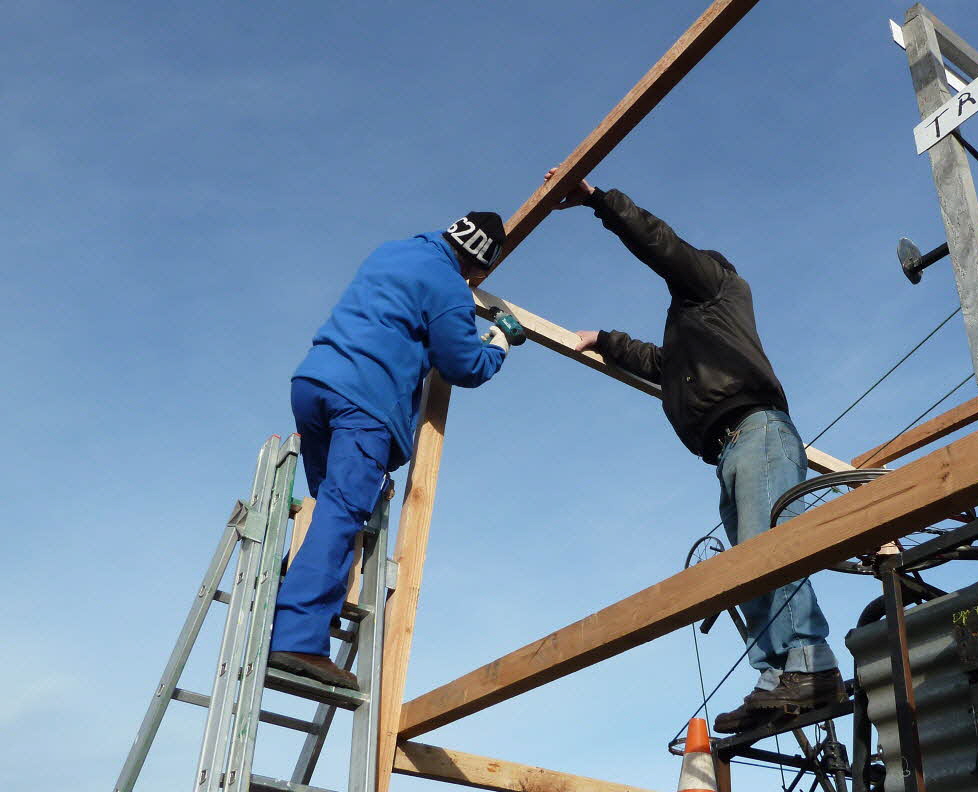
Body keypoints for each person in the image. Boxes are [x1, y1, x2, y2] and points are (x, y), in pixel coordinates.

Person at [545, 169, 843, 733]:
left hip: (756, 432)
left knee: (771, 547)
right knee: (745, 563)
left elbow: (660, 244)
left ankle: (811, 663)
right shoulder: (699, 334)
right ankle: (776, 677)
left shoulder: (716, 285)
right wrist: (604, 341)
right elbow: (660, 365)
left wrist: (597, 200)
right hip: (729, 449)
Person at [269, 212, 516, 688]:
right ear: (480, 267)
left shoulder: (394, 251)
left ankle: (293, 595)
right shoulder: (449, 285)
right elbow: (464, 365)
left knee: (330, 508)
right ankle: (297, 639)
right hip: (364, 402)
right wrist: (499, 344)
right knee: (343, 512)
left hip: (314, 383)